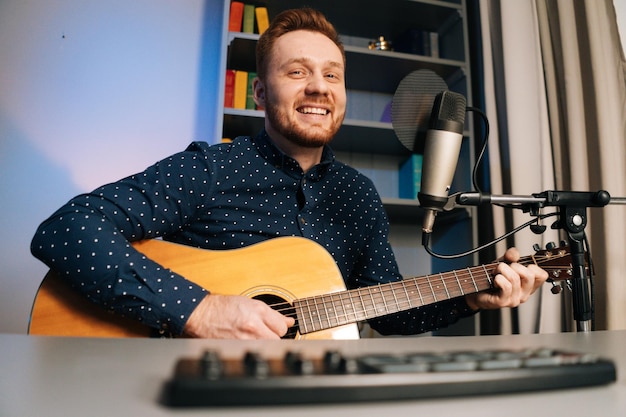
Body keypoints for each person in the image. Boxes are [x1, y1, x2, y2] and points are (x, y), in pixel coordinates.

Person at [31, 8, 548, 339]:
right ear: (260, 94)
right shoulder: (212, 167)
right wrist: (197, 309)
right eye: (296, 72)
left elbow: (391, 312)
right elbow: (67, 231)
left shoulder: (358, 195)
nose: (318, 88)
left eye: (331, 75)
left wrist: (472, 295)